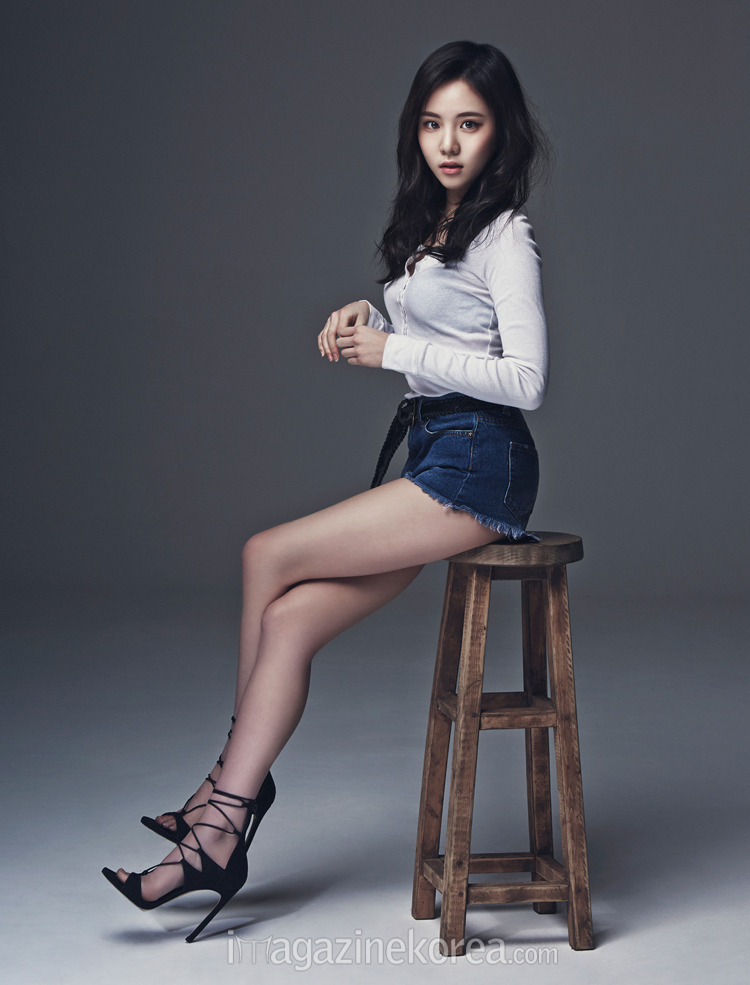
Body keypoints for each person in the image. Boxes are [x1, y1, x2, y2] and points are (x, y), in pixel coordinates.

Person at [102, 39, 551, 943]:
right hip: (435, 449)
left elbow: (526, 380)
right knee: (288, 619)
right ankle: (224, 814)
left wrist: (393, 350)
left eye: (469, 124)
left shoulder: (506, 234)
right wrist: (373, 317)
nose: (448, 143)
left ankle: (221, 808)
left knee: (265, 552)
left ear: (500, 131)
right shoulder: (434, 221)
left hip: (481, 461)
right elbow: (448, 339)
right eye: (432, 124)